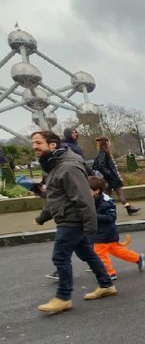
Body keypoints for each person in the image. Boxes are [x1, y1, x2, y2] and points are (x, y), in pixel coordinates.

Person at [31, 129, 116, 314]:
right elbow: (56, 197)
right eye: (33, 143)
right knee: (88, 254)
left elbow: (84, 199)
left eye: (38, 143)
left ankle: (63, 298)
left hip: (72, 220)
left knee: (60, 257)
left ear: (52, 145)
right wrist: (42, 218)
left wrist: (90, 227)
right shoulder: (55, 165)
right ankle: (106, 284)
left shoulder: (67, 167)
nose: (34, 147)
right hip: (68, 217)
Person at [88, 175, 145, 278]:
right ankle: (138, 258)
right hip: (104, 233)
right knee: (118, 251)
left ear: (96, 191)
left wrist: (93, 216)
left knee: (99, 253)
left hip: (104, 233)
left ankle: (109, 273)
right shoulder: (93, 199)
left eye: (87, 190)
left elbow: (111, 218)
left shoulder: (106, 202)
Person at [92, 136, 141, 215]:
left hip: (109, 178)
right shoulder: (104, 152)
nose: (110, 144)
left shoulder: (102, 152)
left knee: (106, 195)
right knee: (118, 193)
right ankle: (128, 208)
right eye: (109, 142)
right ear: (106, 143)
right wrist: (110, 175)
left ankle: (128, 208)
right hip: (111, 178)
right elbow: (101, 166)